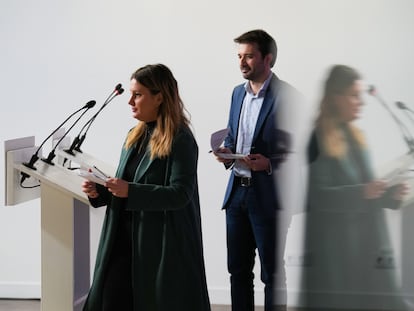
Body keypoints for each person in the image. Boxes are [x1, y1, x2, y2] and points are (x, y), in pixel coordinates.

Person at [81, 63, 211, 311]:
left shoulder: (181, 139)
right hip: (121, 240)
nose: (130, 101)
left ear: (159, 97)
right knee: (108, 301)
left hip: (158, 244)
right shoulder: (134, 134)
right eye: (131, 93)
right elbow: (126, 186)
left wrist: (130, 190)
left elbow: (181, 194)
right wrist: (100, 192)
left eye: (138, 94)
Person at [303, 64, 409, 309]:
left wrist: (390, 194)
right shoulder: (318, 139)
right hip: (339, 250)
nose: (360, 102)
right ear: (335, 97)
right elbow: (318, 196)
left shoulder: (355, 136)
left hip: (366, 243)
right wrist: (362, 191)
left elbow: (368, 190)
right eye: (354, 95)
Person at [214, 29, 304, 311]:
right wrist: (227, 153)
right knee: (238, 272)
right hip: (236, 196)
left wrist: (270, 163)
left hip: (270, 197)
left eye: (249, 56)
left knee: (272, 275)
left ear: (268, 58)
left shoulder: (289, 96)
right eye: (239, 56)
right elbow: (233, 135)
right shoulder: (236, 94)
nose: (242, 62)